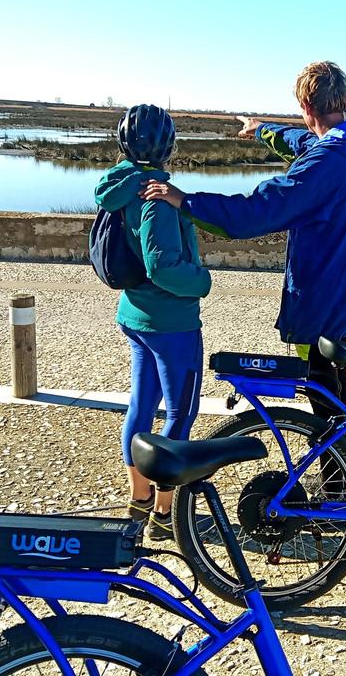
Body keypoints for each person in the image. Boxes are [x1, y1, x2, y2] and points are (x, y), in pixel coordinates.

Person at [140, 61, 346, 456]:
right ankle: (340, 478)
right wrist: (262, 129)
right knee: (335, 384)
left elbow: (257, 212)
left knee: (325, 392)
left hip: (323, 296)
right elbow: (304, 143)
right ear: (341, 101)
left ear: (306, 104)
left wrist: (184, 200)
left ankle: (337, 492)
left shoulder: (324, 164)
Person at [95, 104, 212, 541]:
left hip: (135, 314)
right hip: (171, 323)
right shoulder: (157, 196)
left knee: (141, 407)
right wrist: (202, 280)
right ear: (170, 147)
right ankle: (165, 514)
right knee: (180, 411)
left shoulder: (119, 185)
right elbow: (162, 265)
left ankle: (139, 499)